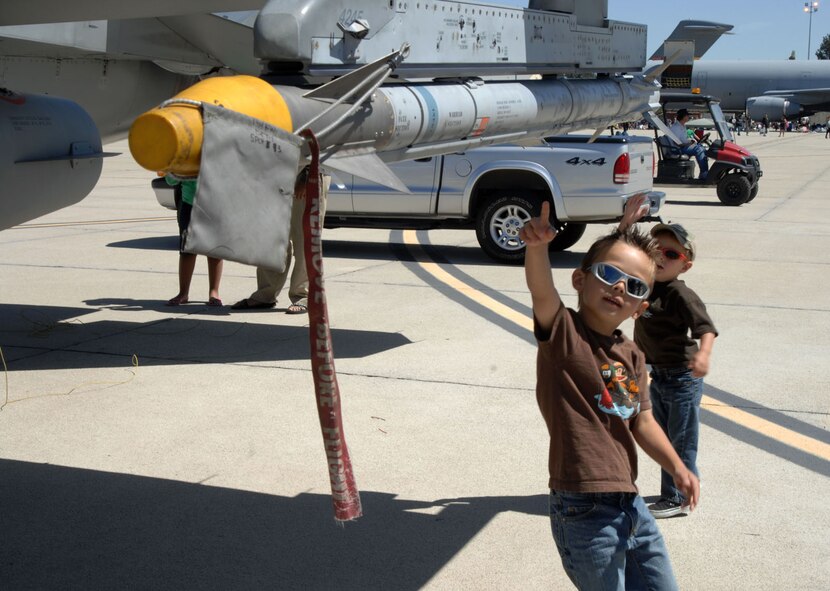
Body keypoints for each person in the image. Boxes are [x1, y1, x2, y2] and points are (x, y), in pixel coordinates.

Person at [521, 200, 699, 590]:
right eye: (608, 274)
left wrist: (678, 467)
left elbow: (643, 421)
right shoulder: (564, 333)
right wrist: (537, 248)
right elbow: (541, 291)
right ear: (580, 280)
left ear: (639, 308)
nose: (620, 287)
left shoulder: (632, 354)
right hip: (583, 509)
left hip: (630, 503)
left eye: (634, 286)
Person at [619, 210, 718, 520]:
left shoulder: (680, 294)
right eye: (656, 248)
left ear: (685, 264)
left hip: (682, 377)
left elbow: (706, 328)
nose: (661, 256)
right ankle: (682, 486)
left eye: (671, 253)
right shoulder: (646, 285)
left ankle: (676, 497)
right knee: (663, 436)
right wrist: (626, 224)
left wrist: (703, 354)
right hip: (658, 375)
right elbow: (620, 254)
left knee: (680, 440)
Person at [231, 167, 330, 314]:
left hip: (308, 172)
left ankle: (303, 295)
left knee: (304, 239)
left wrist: (308, 176)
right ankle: (265, 294)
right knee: (271, 238)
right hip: (277, 172)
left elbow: (321, 145)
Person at [164, 174, 223, 307]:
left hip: (214, 203)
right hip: (189, 204)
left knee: (214, 250)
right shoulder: (186, 154)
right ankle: (183, 293)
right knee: (186, 251)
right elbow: (170, 179)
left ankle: (214, 292)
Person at [668, 108, 709, 180]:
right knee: (699, 149)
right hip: (677, 149)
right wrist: (689, 143)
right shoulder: (676, 127)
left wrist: (690, 142)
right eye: (687, 115)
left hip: (682, 147)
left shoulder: (682, 126)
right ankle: (704, 173)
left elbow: (683, 139)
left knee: (701, 147)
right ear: (683, 117)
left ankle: (704, 172)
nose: (688, 117)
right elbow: (677, 143)